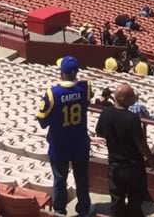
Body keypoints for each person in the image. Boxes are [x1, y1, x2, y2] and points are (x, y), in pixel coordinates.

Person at [37, 56, 92, 216]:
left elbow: (42, 121)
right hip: (80, 142)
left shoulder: (52, 94)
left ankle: (59, 211)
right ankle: (84, 210)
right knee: (82, 178)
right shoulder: (85, 88)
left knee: (60, 180)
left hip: (59, 145)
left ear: (62, 72)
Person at [96, 82, 151, 217]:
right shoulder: (132, 118)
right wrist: (151, 158)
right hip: (133, 166)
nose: (134, 98)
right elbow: (140, 143)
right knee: (136, 199)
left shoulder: (106, 113)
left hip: (114, 165)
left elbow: (99, 132)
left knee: (117, 199)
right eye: (131, 96)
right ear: (122, 99)